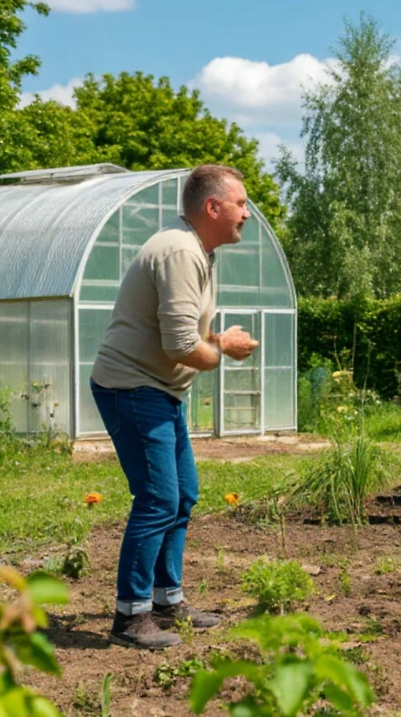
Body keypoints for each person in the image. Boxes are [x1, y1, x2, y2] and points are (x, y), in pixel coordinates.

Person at [90, 165, 260, 651]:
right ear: (212, 207)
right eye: (240, 204)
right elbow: (184, 346)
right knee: (158, 498)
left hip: (156, 391)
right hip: (133, 388)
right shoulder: (180, 252)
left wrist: (218, 341)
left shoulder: (198, 253)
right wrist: (221, 348)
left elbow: (182, 333)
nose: (245, 214)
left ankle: (167, 599)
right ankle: (131, 616)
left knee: (182, 494)